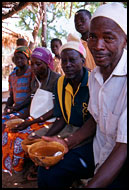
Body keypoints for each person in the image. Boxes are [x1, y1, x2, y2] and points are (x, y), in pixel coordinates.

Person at [37, 2, 127, 188]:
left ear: (125, 40)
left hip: (121, 158)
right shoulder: (95, 76)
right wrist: (67, 143)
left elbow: (123, 146)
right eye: (93, 37)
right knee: (48, 171)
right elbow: (94, 119)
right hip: (97, 149)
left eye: (108, 38)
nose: (98, 46)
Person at [36, 33, 95, 188]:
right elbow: (61, 117)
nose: (67, 64)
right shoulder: (61, 83)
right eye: (64, 60)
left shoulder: (94, 83)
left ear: (82, 61)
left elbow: (94, 122)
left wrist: (67, 143)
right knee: (44, 165)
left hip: (92, 138)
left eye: (72, 60)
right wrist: (45, 140)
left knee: (56, 170)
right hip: (70, 131)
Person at [2, 47, 60, 176]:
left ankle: (19, 169)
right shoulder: (35, 81)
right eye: (32, 64)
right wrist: (21, 119)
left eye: (38, 64)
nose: (34, 67)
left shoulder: (56, 80)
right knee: (8, 130)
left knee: (20, 139)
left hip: (47, 122)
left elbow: (55, 110)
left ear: (47, 63)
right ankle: (8, 166)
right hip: (33, 120)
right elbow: (33, 106)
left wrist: (29, 123)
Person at [2, 46, 32, 123]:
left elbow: (32, 95)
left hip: (28, 109)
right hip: (16, 108)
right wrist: (7, 108)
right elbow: (11, 95)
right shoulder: (12, 75)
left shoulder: (31, 73)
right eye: (16, 58)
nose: (19, 60)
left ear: (28, 59)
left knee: (7, 123)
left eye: (22, 58)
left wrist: (17, 108)